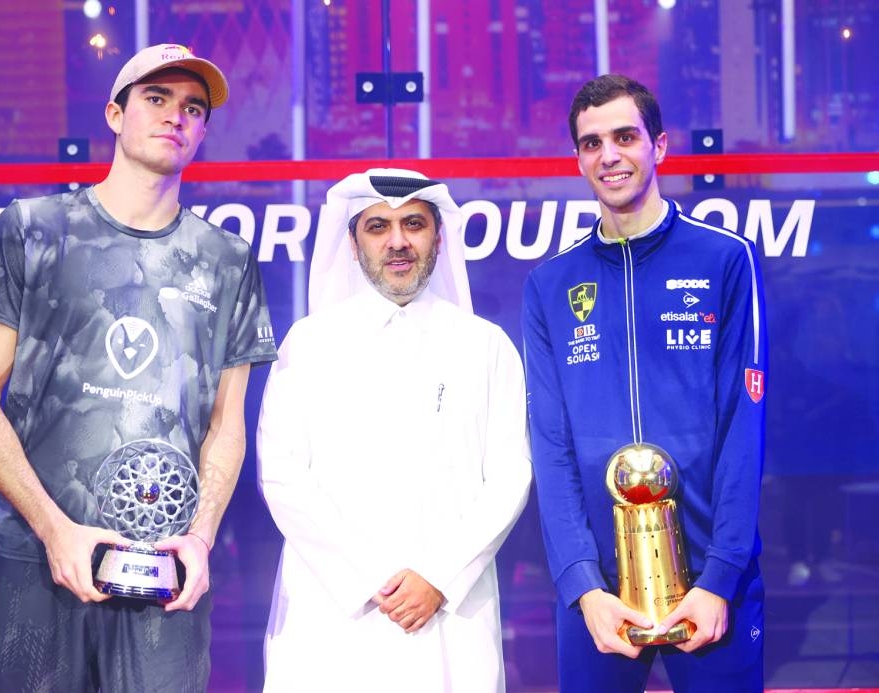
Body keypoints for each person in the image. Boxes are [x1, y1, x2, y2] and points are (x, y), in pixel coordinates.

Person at [0, 43, 277, 692]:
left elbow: (225, 426)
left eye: (192, 107)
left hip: (166, 578)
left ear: (203, 131)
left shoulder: (227, 259)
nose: (175, 116)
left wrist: (202, 539)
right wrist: (54, 527)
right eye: (156, 99)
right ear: (114, 113)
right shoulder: (32, 229)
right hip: (37, 563)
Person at [522, 74, 767, 691]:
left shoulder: (723, 259)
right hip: (600, 593)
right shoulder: (551, 284)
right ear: (578, 158)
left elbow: (745, 424)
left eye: (625, 136)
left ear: (659, 145)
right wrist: (580, 583)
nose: (609, 156)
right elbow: (549, 445)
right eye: (591, 143)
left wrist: (721, 577)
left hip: (713, 579)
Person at [257, 169, 531, 692]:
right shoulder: (309, 345)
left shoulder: (485, 346)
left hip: (450, 614)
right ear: (355, 246)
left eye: (413, 224)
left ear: (438, 236)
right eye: (377, 227)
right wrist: (368, 581)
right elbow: (283, 476)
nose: (398, 241)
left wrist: (437, 578)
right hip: (333, 613)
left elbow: (510, 477)